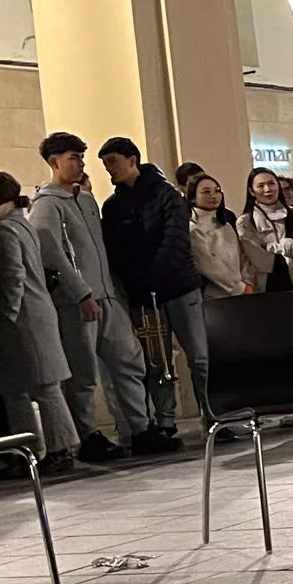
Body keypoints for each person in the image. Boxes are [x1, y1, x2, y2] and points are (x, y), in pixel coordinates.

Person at [30, 133, 167, 461]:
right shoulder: (47, 205)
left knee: (129, 360)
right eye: (73, 157)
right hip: (77, 302)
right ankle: (87, 434)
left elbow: (100, 250)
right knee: (84, 372)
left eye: (81, 156)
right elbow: (54, 256)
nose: (80, 162)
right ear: (54, 161)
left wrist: (112, 288)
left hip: (107, 296)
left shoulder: (86, 201)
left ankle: (140, 427)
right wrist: (81, 294)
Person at [98, 137, 212, 433]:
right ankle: (165, 419)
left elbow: (175, 240)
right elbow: (114, 250)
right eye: (105, 164)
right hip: (142, 295)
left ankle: (212, 413)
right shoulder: (112, 207)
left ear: (132, 160)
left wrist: (153, 275)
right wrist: (134, 283)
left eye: (113, 162)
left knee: (199, 357)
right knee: (156, 361)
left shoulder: (167, 195)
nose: (109, 170)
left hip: (179, 287)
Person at [0, 173, 80, 476]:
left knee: (41, 389)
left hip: (22, 323)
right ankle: (29, 451)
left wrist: (4, 319)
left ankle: (56, 450)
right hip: (36, 316)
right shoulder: (22, 225)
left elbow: (12, 280)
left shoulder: (4, 231)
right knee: (20, 390)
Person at [238, 167, 293, 292]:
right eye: (261, 186)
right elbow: (258, 259)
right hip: (264, 286)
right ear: (251, 191)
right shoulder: (245, 222)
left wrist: (278, 246)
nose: (267, 189)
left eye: (271, 183)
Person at [186, 174, 248, 299]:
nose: (213, 196)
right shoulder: (193, 228)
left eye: (217, 191)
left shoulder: (225, 225)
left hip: (241, 291)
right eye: (206, 192)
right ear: (193, 198)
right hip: (215, 295)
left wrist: (247, 282)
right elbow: (209, 266)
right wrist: (239, 288)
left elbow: (241, 257)